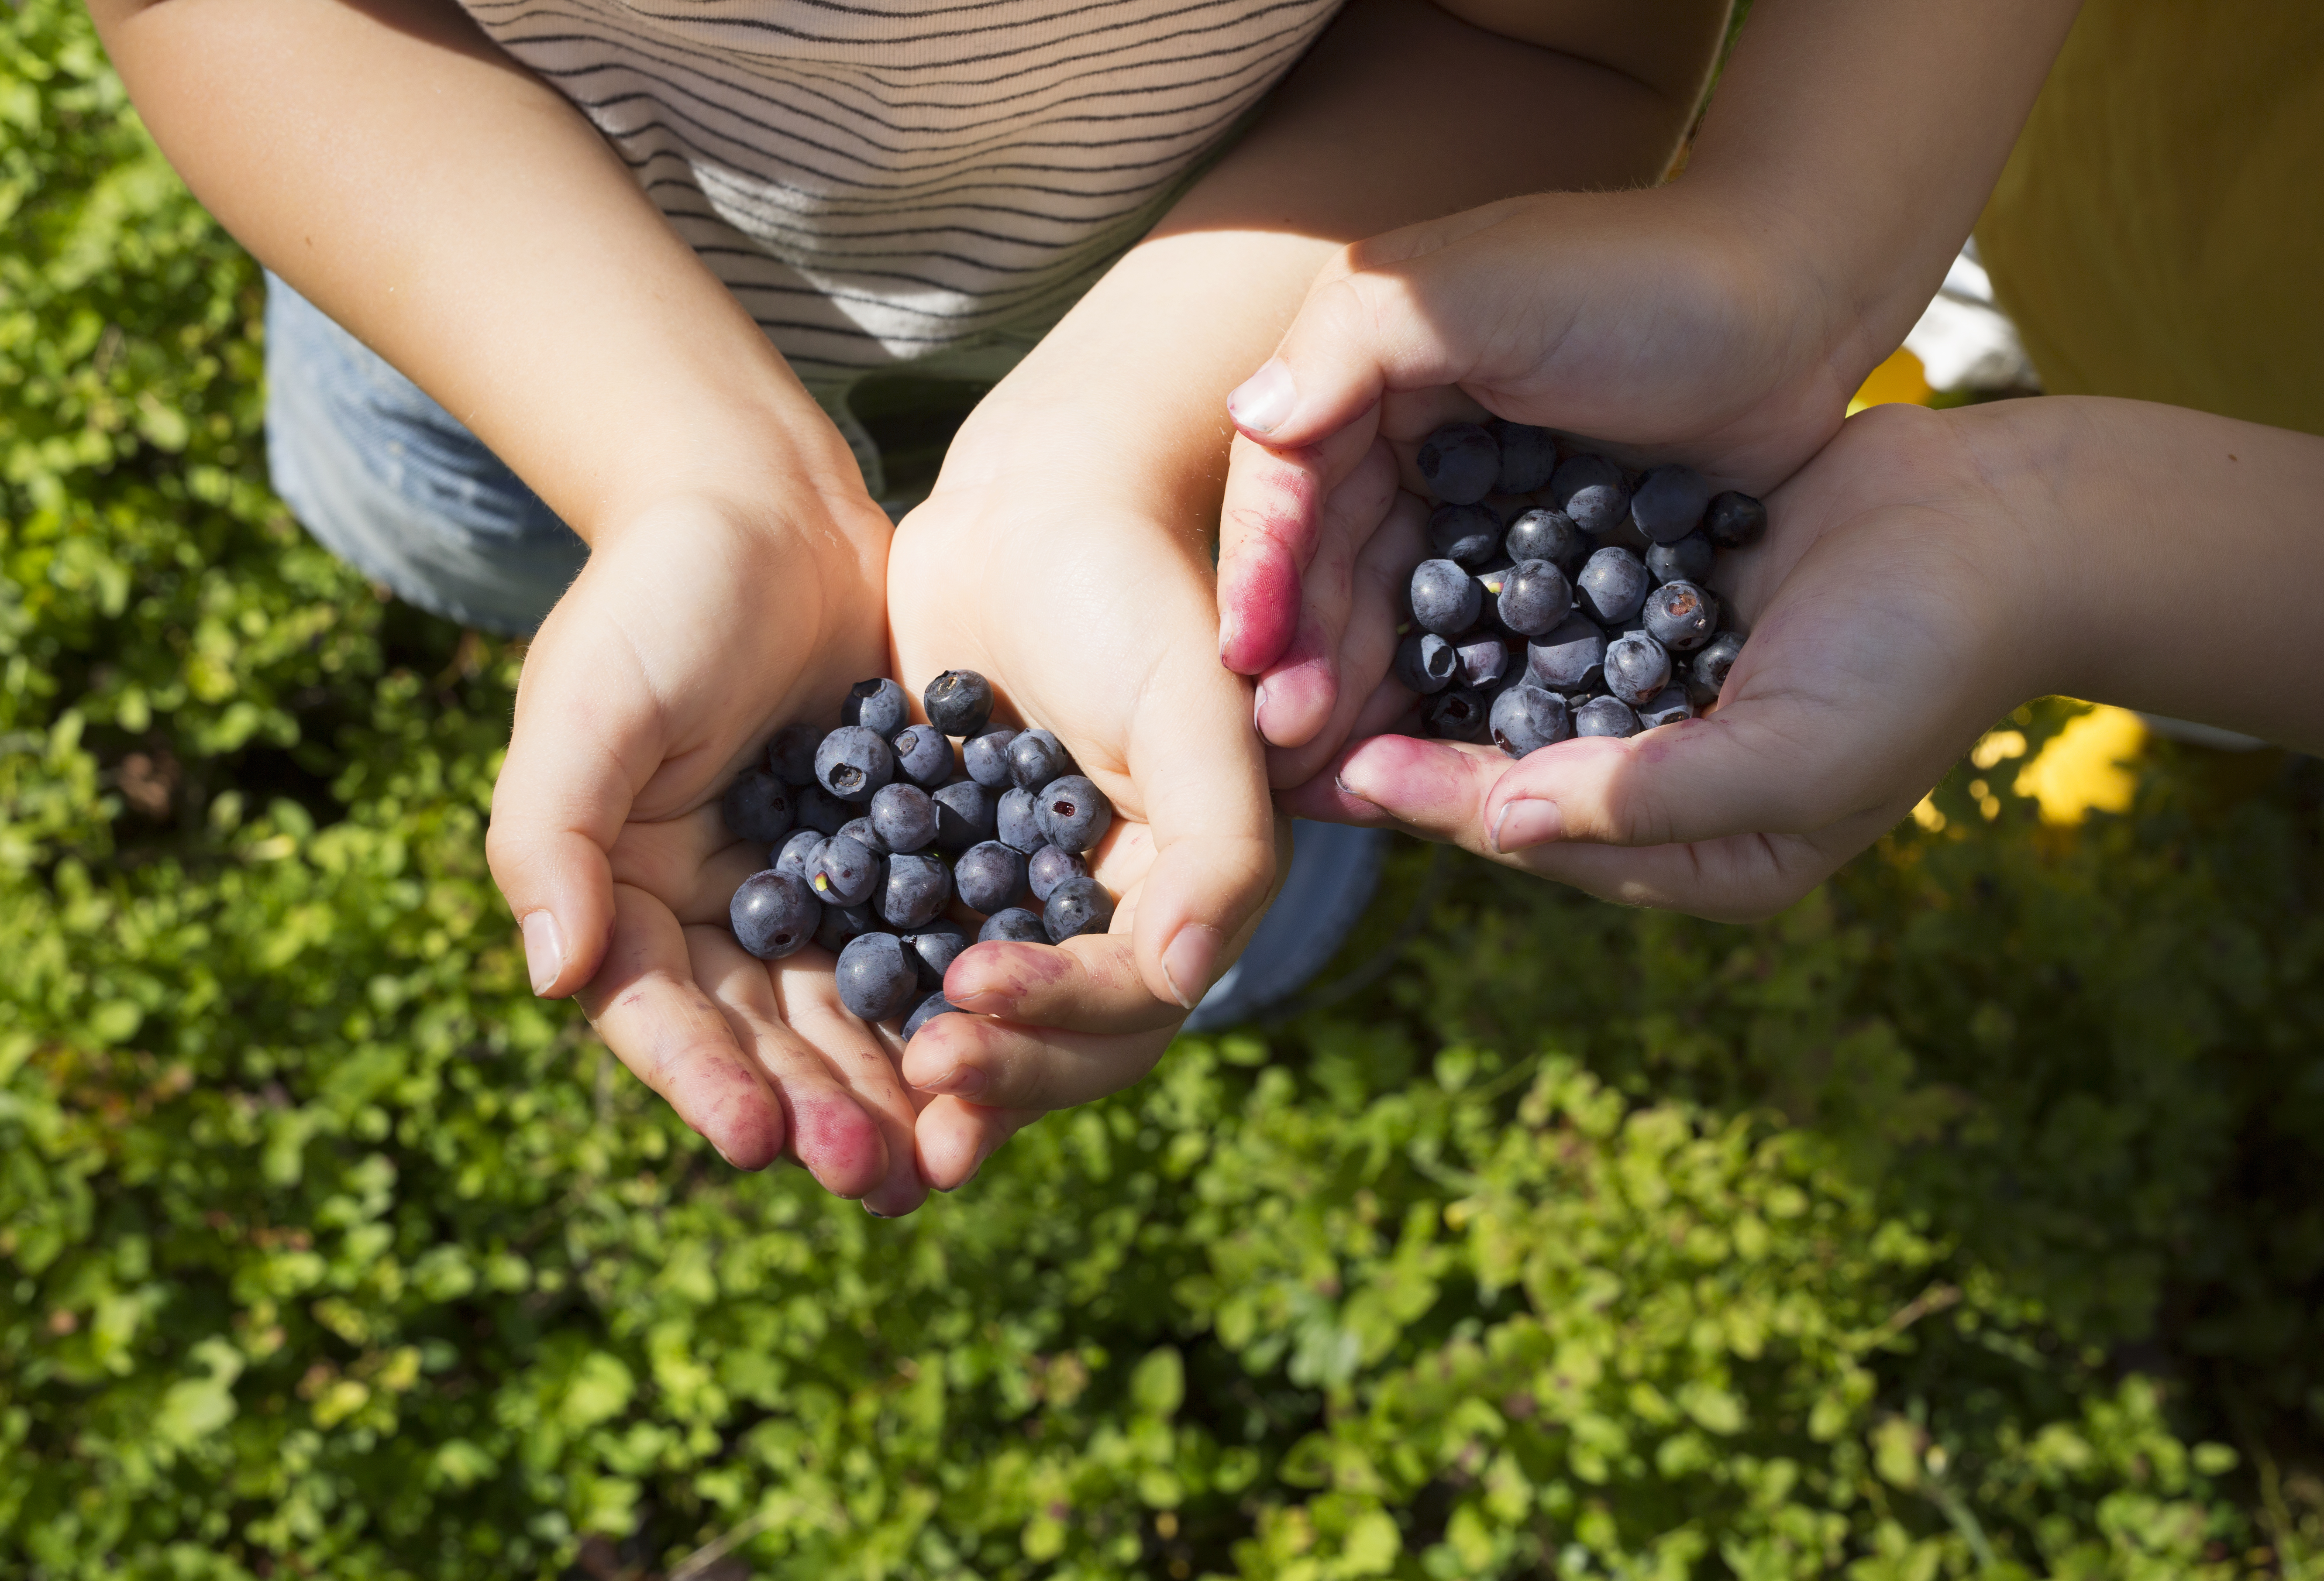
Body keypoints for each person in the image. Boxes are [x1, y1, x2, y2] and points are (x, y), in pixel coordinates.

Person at [86, 0, 1736, 1210]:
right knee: (512, 540)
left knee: (1238, 684)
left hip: (1222, 304)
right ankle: (623, 592)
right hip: (493, 290)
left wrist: (1102, 452)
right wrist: (689, 474)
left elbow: (1554, 39)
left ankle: (1265, 812)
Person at [1214, 0, 2324, 921]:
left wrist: (2063, 555)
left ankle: (2196, 671)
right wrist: (1807, 258)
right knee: (2038, 289)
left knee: (2213, 629)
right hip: (2098, 131)